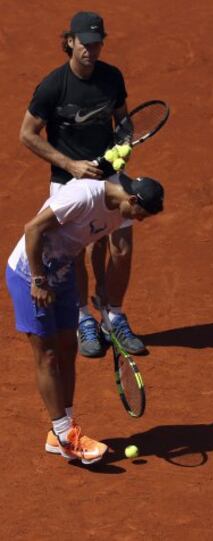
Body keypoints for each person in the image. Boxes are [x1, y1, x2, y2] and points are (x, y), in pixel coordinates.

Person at [6, 174, 164, 465]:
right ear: (132, 200)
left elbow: (97, 245)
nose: (139, 221)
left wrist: (101, 290)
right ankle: (67, 437)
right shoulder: (83, 196)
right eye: (140, 215)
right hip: (32, 273)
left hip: (64, 274)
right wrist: (39, 279)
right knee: (48, 355)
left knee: (68, 348)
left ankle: (60, 433)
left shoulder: (120, 213)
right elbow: (33, 229)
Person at [19, 11, 145, 358]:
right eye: (84, 43)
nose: (90, 49)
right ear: (70, 42)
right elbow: (27, 134)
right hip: (68, 181)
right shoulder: (53, 86)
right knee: (75, 253)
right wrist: (70, 164)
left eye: (96, 43)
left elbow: (124, 121)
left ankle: (114, 317)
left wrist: (122, 146)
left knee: (122, 245)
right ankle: (82, 319)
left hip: (108, 174)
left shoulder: (111, 78)